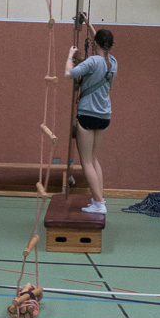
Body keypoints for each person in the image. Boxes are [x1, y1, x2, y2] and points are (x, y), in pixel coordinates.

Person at [64, 18, 117, 214]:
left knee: (86, 161)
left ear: (95, 43)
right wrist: (88, 22)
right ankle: (99, 200)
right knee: (94, 159)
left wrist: (70, 55)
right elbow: (100, 43)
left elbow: (69, 73)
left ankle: (99, 203)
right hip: (104, 115)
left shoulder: (92, 62)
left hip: (87, 114)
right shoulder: (113, 63)